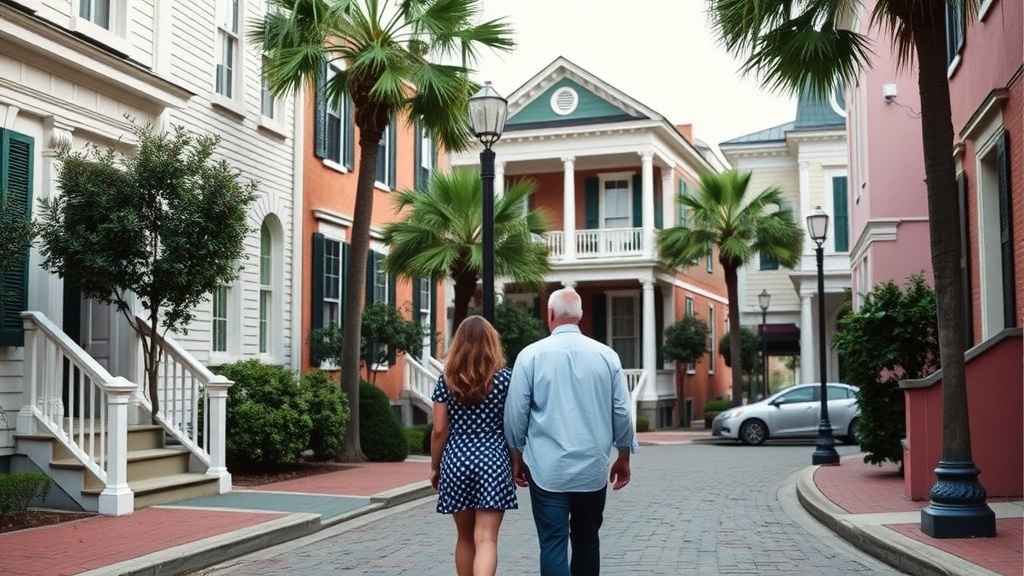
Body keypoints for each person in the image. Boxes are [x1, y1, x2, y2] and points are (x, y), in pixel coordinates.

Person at [504, 287, 637, 576]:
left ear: (550, 314)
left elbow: (516, 412)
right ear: (580, 315)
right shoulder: (608, 356)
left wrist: (516, 453)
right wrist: (624, 454)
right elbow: (623, 412)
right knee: (587, 541)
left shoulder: (530, 356)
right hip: (591, 468)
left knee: (552, 543)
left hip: (548, 469)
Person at [430, 315, 518, 576]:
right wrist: (516, 461)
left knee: (464, 537)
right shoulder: (504, 380)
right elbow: (513, 426)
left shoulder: (447, 380)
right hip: (493, 459)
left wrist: (436, 467)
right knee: (486, 538)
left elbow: (439, 430)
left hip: (456, 459)